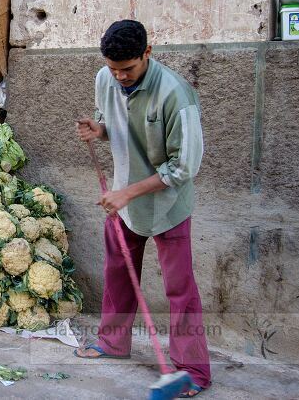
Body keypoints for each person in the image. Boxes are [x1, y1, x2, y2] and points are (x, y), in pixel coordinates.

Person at [73, 20, 211, 397]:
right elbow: (111, 124)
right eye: (113, 69)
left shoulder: (176, 95)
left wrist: (129, 193)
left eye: (128, 69)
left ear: (148, 54)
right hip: (123, 201)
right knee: (118, 274)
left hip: (167, 206)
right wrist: (97, 131)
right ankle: (112, 343)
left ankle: (193, 370)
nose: (119, 77)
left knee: (179, 288)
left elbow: (184, 167)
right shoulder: (107, 78)